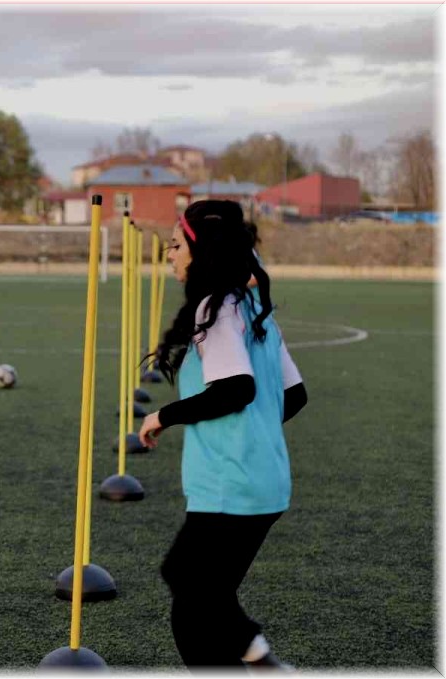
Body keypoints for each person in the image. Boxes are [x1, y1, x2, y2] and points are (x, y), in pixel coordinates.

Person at [137, 200, 308, 670]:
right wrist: (251, 435)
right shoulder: (255, 311)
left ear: (199, 250)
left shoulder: (218, 308)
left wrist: (162, 417)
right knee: (199, 606)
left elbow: (235, 389)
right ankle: (252, 659)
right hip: (264, 482)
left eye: (175, 246)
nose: (168, 255)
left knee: (186, 582)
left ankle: (261, 659)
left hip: (232, 484)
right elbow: (293, 397)